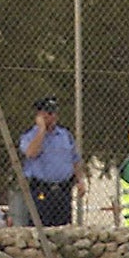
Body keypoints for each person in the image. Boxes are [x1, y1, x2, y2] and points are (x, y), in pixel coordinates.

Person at [18, 97, 81, 227]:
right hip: (41, 190)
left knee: (63, 228)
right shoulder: (30, 136)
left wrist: (80, 180)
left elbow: (75, 159)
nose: (52, 117)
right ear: (40, 115)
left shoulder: (64, 135)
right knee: (41, 227)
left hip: (63, 190)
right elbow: (31, 153)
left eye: (54, 113)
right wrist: (41, 131)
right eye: (48, 113)